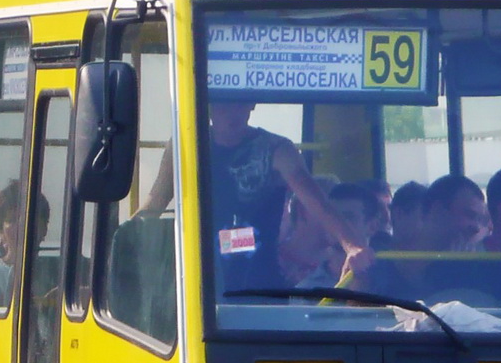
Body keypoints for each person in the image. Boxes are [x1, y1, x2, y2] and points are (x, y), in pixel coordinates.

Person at [146, 101, 372, 295]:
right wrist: (119, 238)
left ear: (252, 103)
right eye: (223, 103)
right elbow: (154, 204)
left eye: (240, 102)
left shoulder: (276, 150)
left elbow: (318, 203)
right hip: (192, 279)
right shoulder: (184, 145)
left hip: (258, 283)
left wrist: (352, 245)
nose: (232, 112)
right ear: (207, 104)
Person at [371, 175, 501, 306]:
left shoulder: (497, 274)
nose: (476, 227)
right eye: (469, 215)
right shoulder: (379, 266)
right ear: (437, 212)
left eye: (479, 219)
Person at [298, 183, 378, 290]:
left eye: (348, 218)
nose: (338, 225)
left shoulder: (389, 284)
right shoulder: (305, 291)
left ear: (372, 226)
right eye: (332, 218)